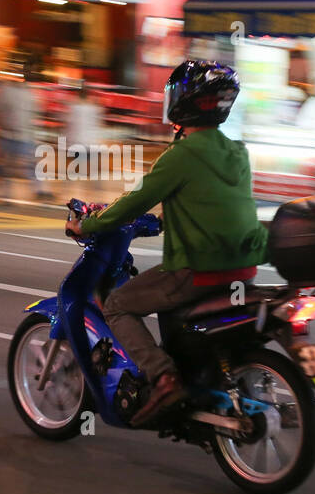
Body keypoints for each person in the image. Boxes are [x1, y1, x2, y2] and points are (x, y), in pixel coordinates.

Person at [67, 60, 267, 426]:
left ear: (184, 101)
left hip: (195, 271)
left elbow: (134, 201)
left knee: (117, 304)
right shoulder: (237, 151)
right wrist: (164, 221)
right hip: (243, 269)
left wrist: (89, 224)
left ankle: (163, 377)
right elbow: (213, 203)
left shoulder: (181, 156)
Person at [0, 61, 53, 202]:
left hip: (23, 135)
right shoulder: (4, 90)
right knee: (5, 166)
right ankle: (3, 194)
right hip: (7, 134)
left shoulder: (28, 92)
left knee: (29, 164)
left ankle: (38, 190)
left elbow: (36, 114)